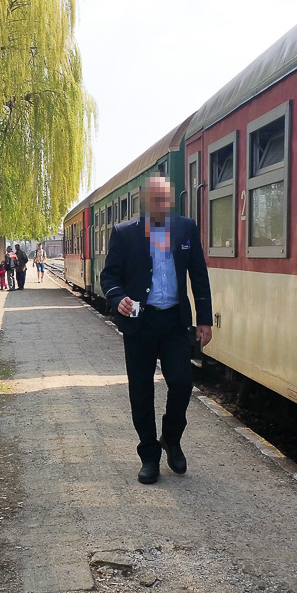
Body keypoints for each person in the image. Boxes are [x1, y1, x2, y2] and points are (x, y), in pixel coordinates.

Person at [100, 175, 212, 485]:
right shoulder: (124, 234)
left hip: (174, 321)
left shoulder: (185, 228)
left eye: (165, 200)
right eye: (154, 201)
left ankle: (171, 438)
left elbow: (198, 275)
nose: (160, 206)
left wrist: (204, 319)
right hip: (141, 324)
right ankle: (149, 456)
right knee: (141, 391)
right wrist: (117, 297)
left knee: (182, 382)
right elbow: (108, 276)